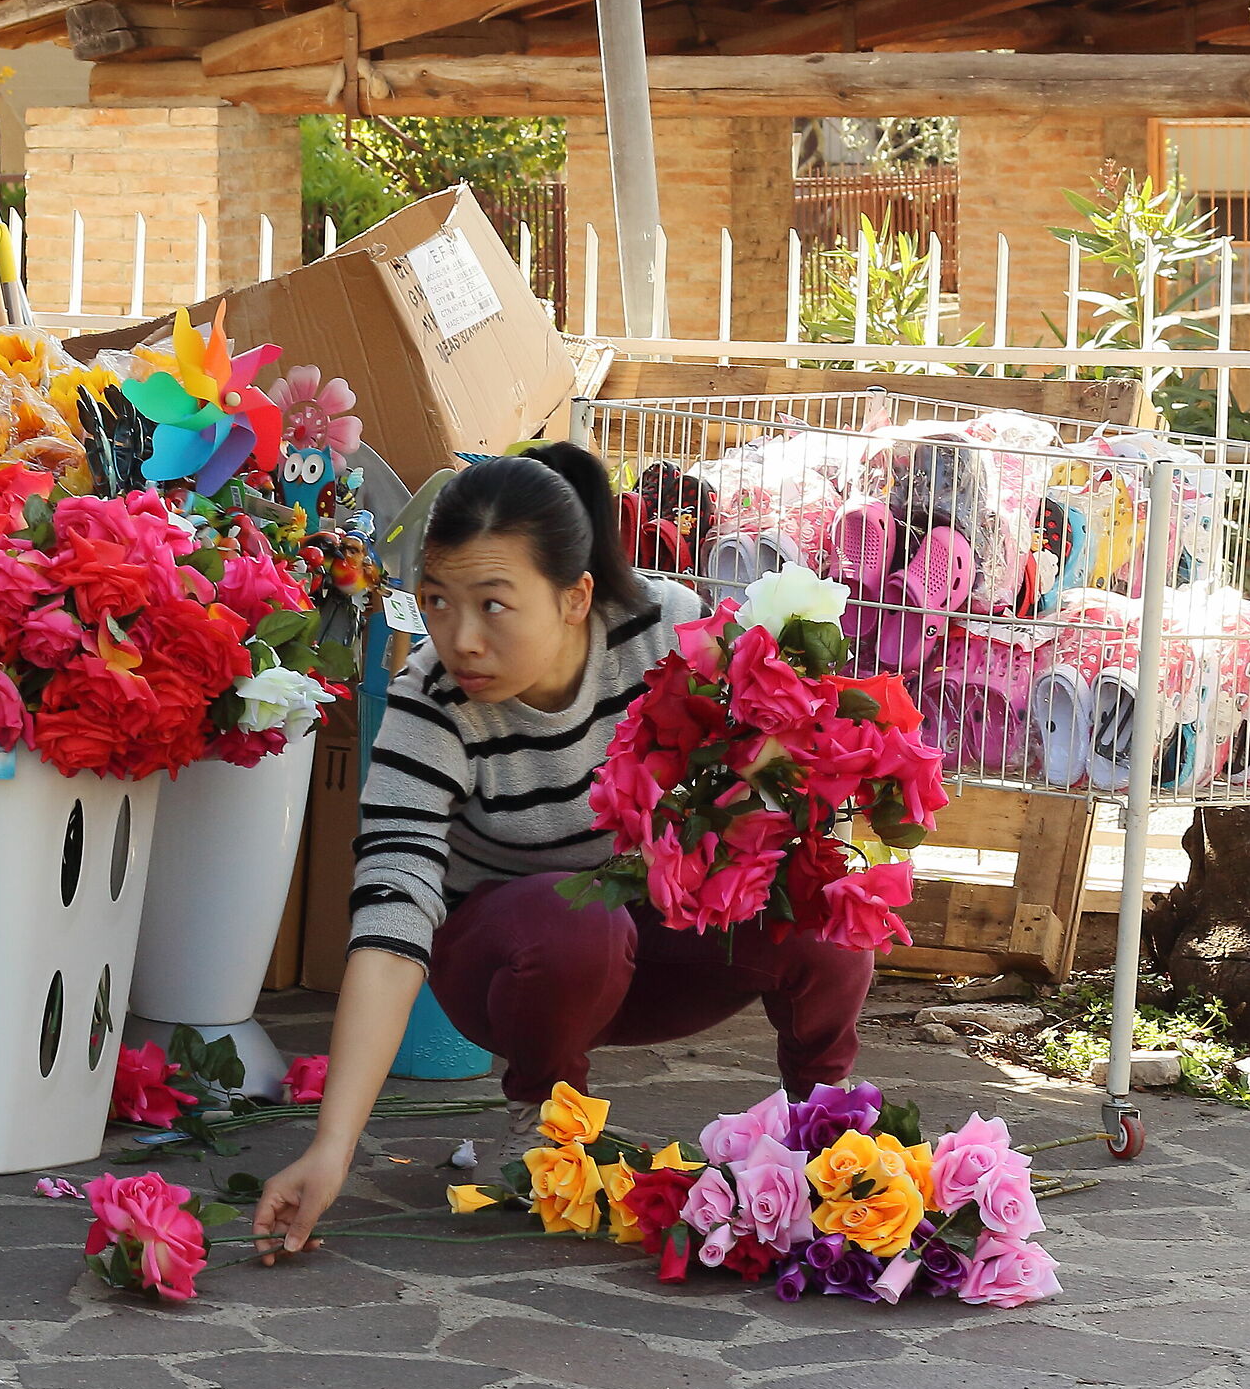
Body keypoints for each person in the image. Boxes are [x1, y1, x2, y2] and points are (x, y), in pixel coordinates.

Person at [254, 444, 876, 1257]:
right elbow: (391, 911)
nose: (460, 638)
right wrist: (330, 1149)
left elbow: (779, 770)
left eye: (493, 605)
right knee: (572, 917)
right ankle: (547, 1134)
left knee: (828, 902)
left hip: (658, 947)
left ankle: (830, 1136)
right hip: (514, 968)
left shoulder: (669, 632)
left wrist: (788, 770)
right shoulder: (430, 709)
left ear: (577, 597)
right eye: (437, 602)